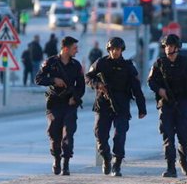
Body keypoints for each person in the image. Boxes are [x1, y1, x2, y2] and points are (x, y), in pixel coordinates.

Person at [85, 37, 147, 176]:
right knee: (100, 135)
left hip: (121, 104)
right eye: (112, 49)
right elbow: (88, 77)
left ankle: (117, 164)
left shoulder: (128, 66)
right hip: (103, 104)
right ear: (109, 50)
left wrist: (141, 108)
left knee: (120, 135)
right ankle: (106, 158)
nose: (115, 52)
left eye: (118, 49)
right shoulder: (100, 63)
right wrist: (97, 85)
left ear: (121, 50)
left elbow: (136, 88)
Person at [147, 34, 187, 178]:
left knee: (184, 135)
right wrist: (160, 90)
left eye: (171, 46)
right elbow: (151, 81)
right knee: (167, 135)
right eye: (166, 46)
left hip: (183, 103)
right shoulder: (159, 64)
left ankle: (183, 158)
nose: (168, 49)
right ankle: (170, 167)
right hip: (166, 104)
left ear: (177, 48)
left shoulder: (186, 63)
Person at [35, 36, 85, 176]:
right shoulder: (51, 63)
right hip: (54, 103)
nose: (77, 51)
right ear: (65, 49)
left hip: (70, 104)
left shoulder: (76, 65)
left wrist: (75, 99)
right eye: (74, 48)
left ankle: (66, 164)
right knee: (54, 133)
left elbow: (81, 86)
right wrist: (53, 80)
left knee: (68, 133)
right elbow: (38, 79)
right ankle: (56, 159)